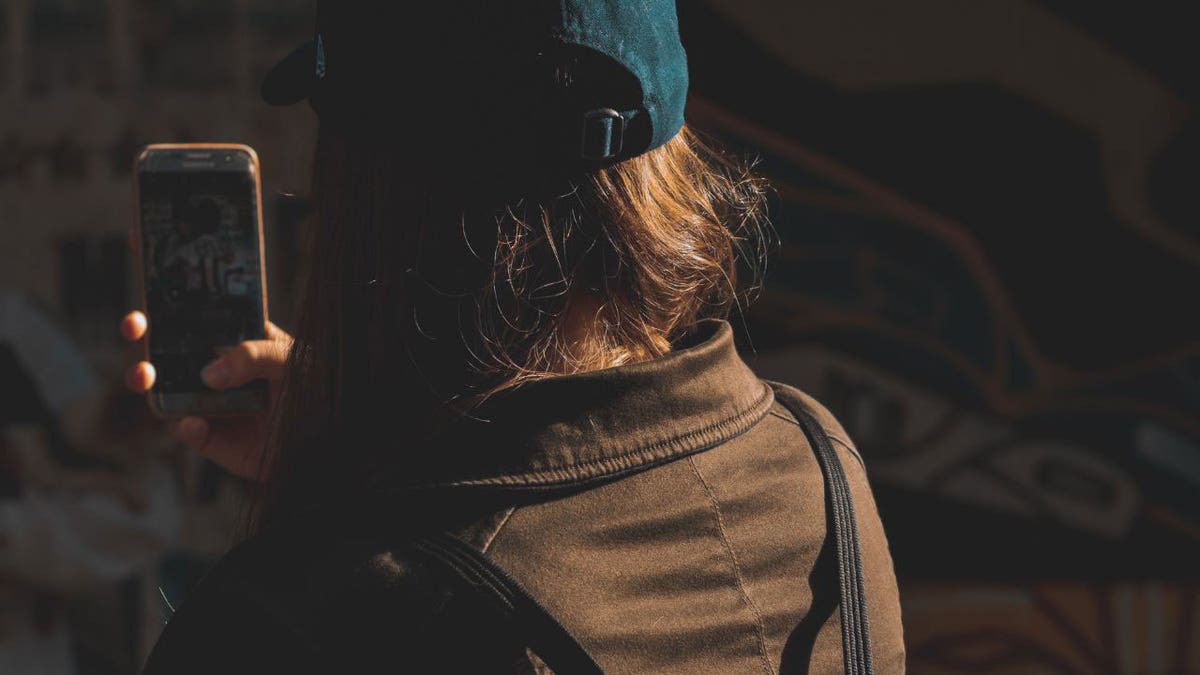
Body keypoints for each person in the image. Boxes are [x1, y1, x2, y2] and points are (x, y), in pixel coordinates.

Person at [123, 2, 905, 672]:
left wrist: (323, 521)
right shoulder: (819, 467)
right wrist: (352, 468)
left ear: (371, 192)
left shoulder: (292, 623)